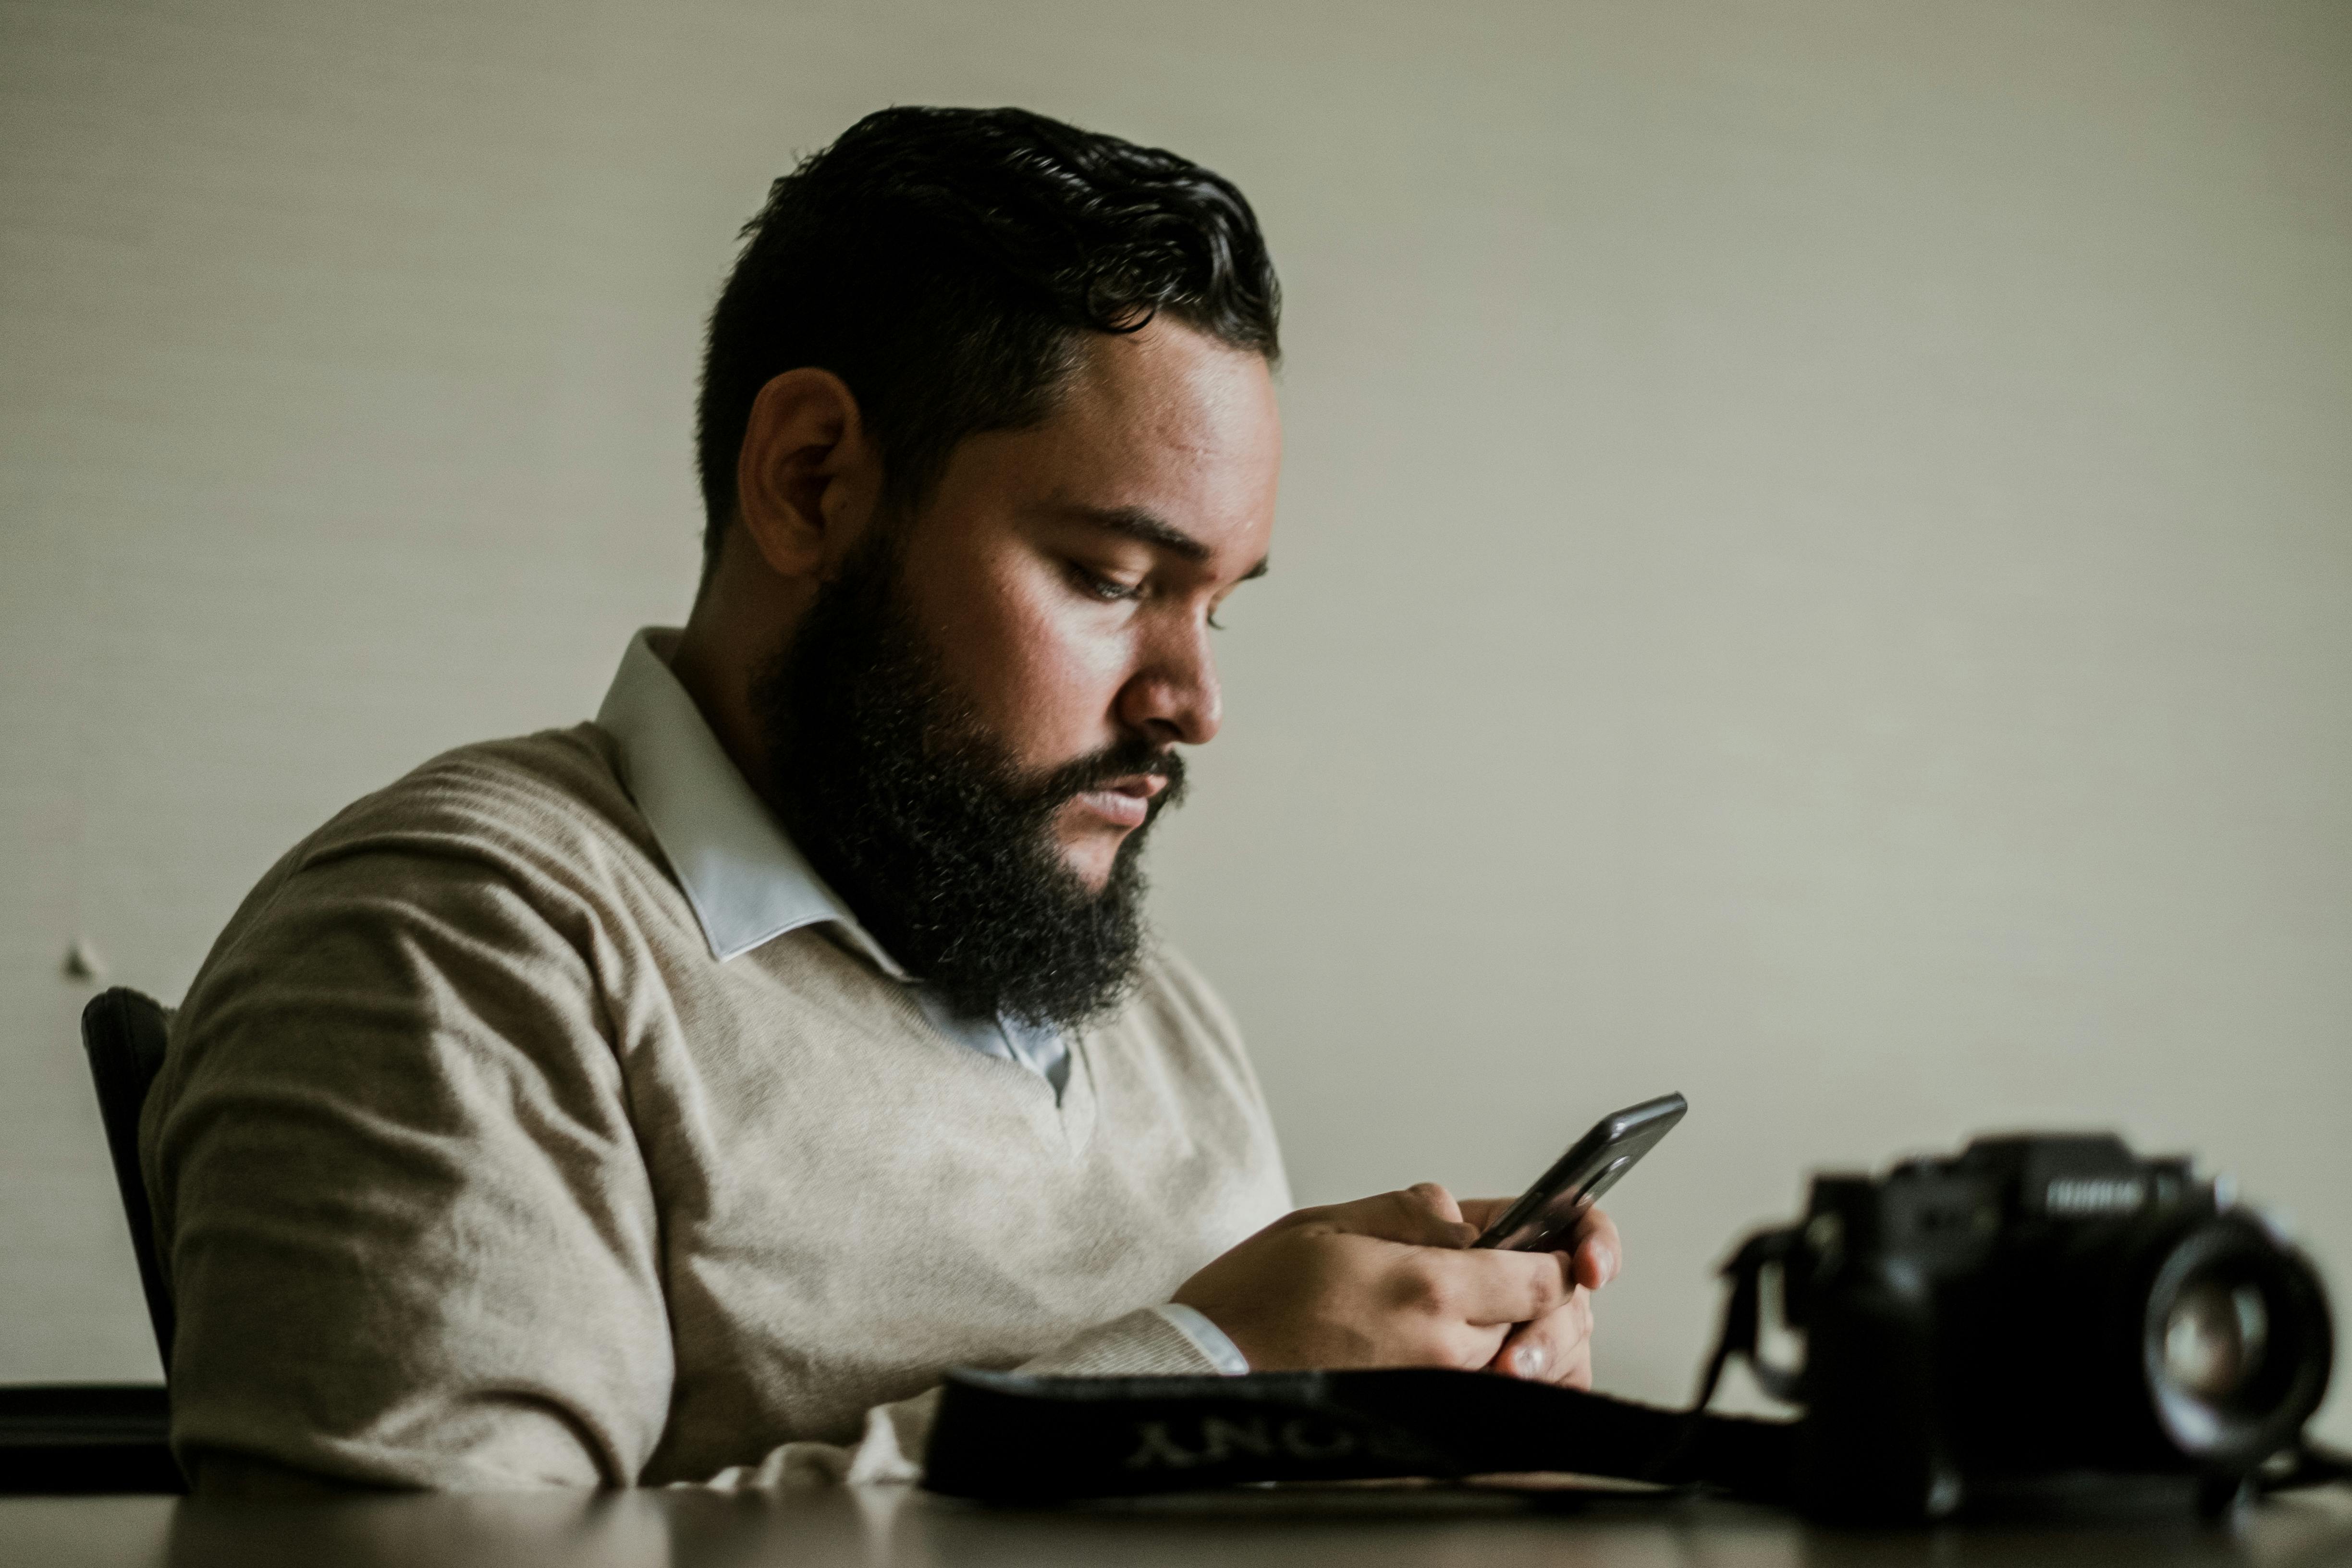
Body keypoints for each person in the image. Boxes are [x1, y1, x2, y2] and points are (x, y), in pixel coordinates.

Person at [139, 105, 1620, 1494]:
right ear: (808, 480)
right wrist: (1202, 1373)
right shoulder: (454, 954)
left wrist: (1417, 1414)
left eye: (1216, 608)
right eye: (1112, 579)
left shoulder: (1163, 1025)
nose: (1195, 705)